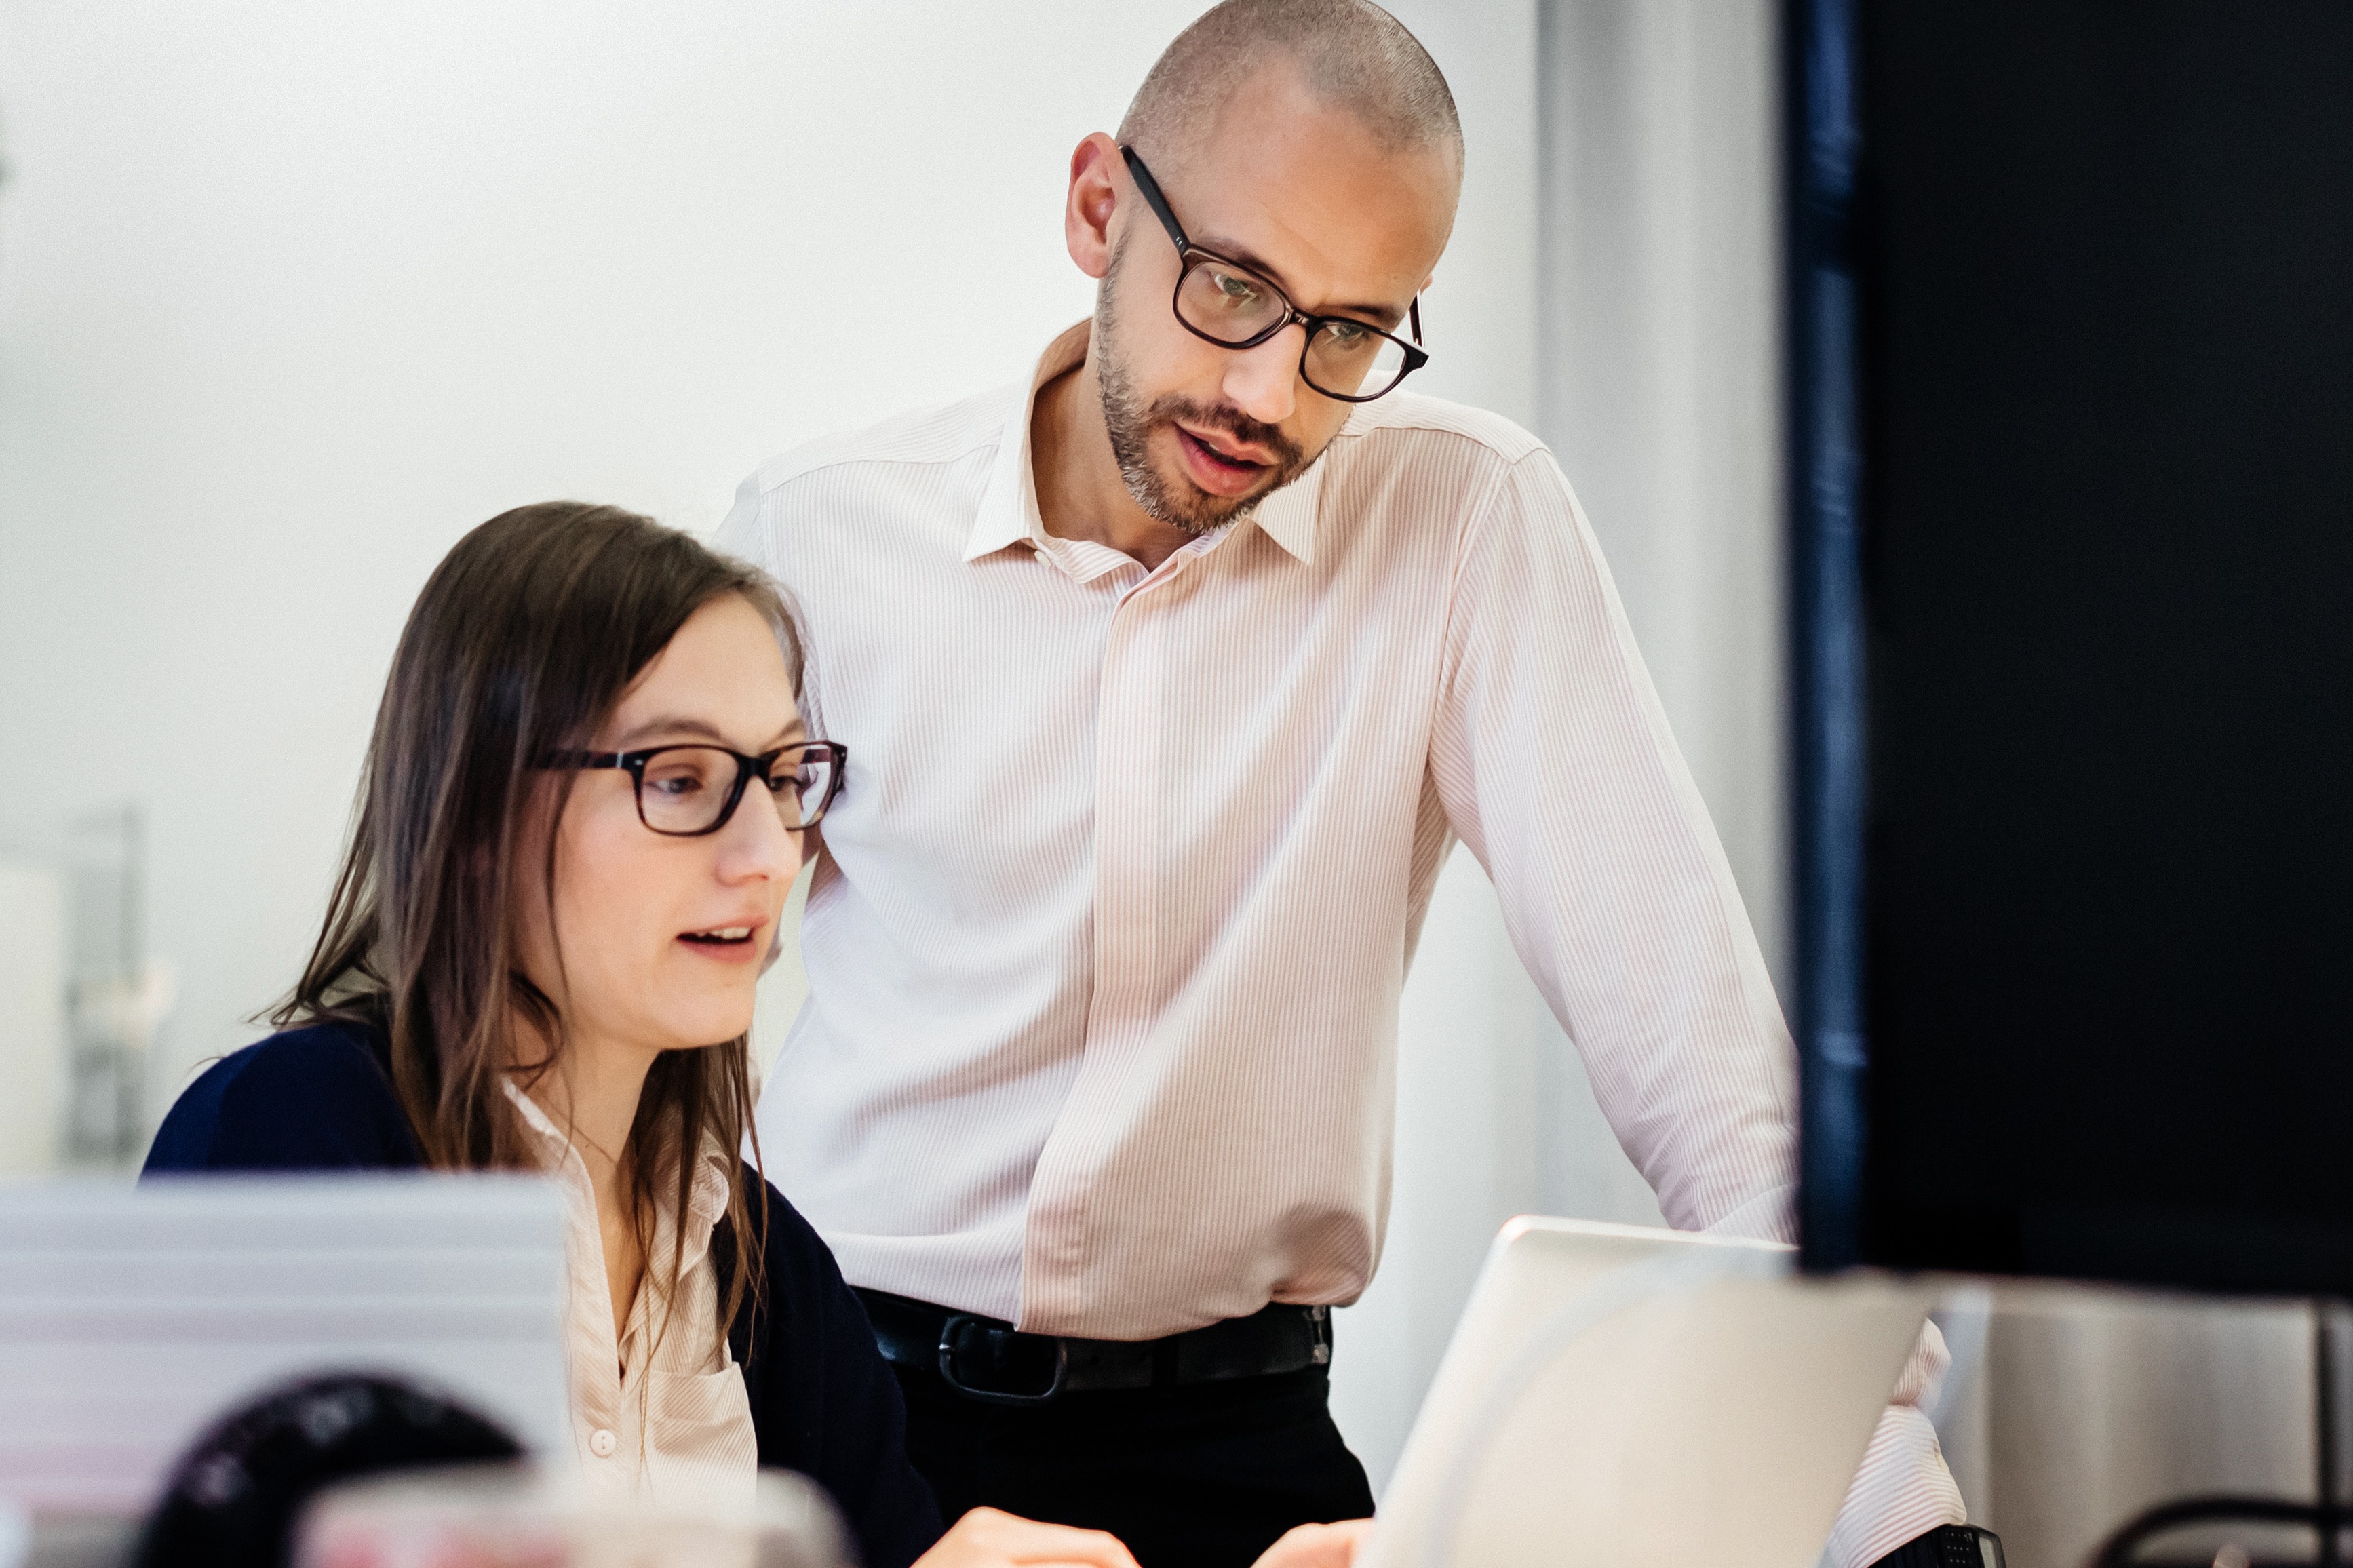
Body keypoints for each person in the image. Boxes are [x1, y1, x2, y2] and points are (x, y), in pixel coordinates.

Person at [714, 5, 1966, 1568]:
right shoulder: (821, 531)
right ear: (1101, 206)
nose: (1272, 396)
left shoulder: (1467, 524)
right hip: (845, 1426)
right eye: (1232, 286)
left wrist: (1899, 1515)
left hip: (1239, 1459)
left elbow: (1708, 1073)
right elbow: (645, 1033)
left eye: (1350, 332)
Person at [144, 503, 1367, 1568]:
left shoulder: (769, 1270)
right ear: (475, 805)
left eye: (786, 778)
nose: (768, 854)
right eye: (679, 781)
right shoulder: (297, 1131)